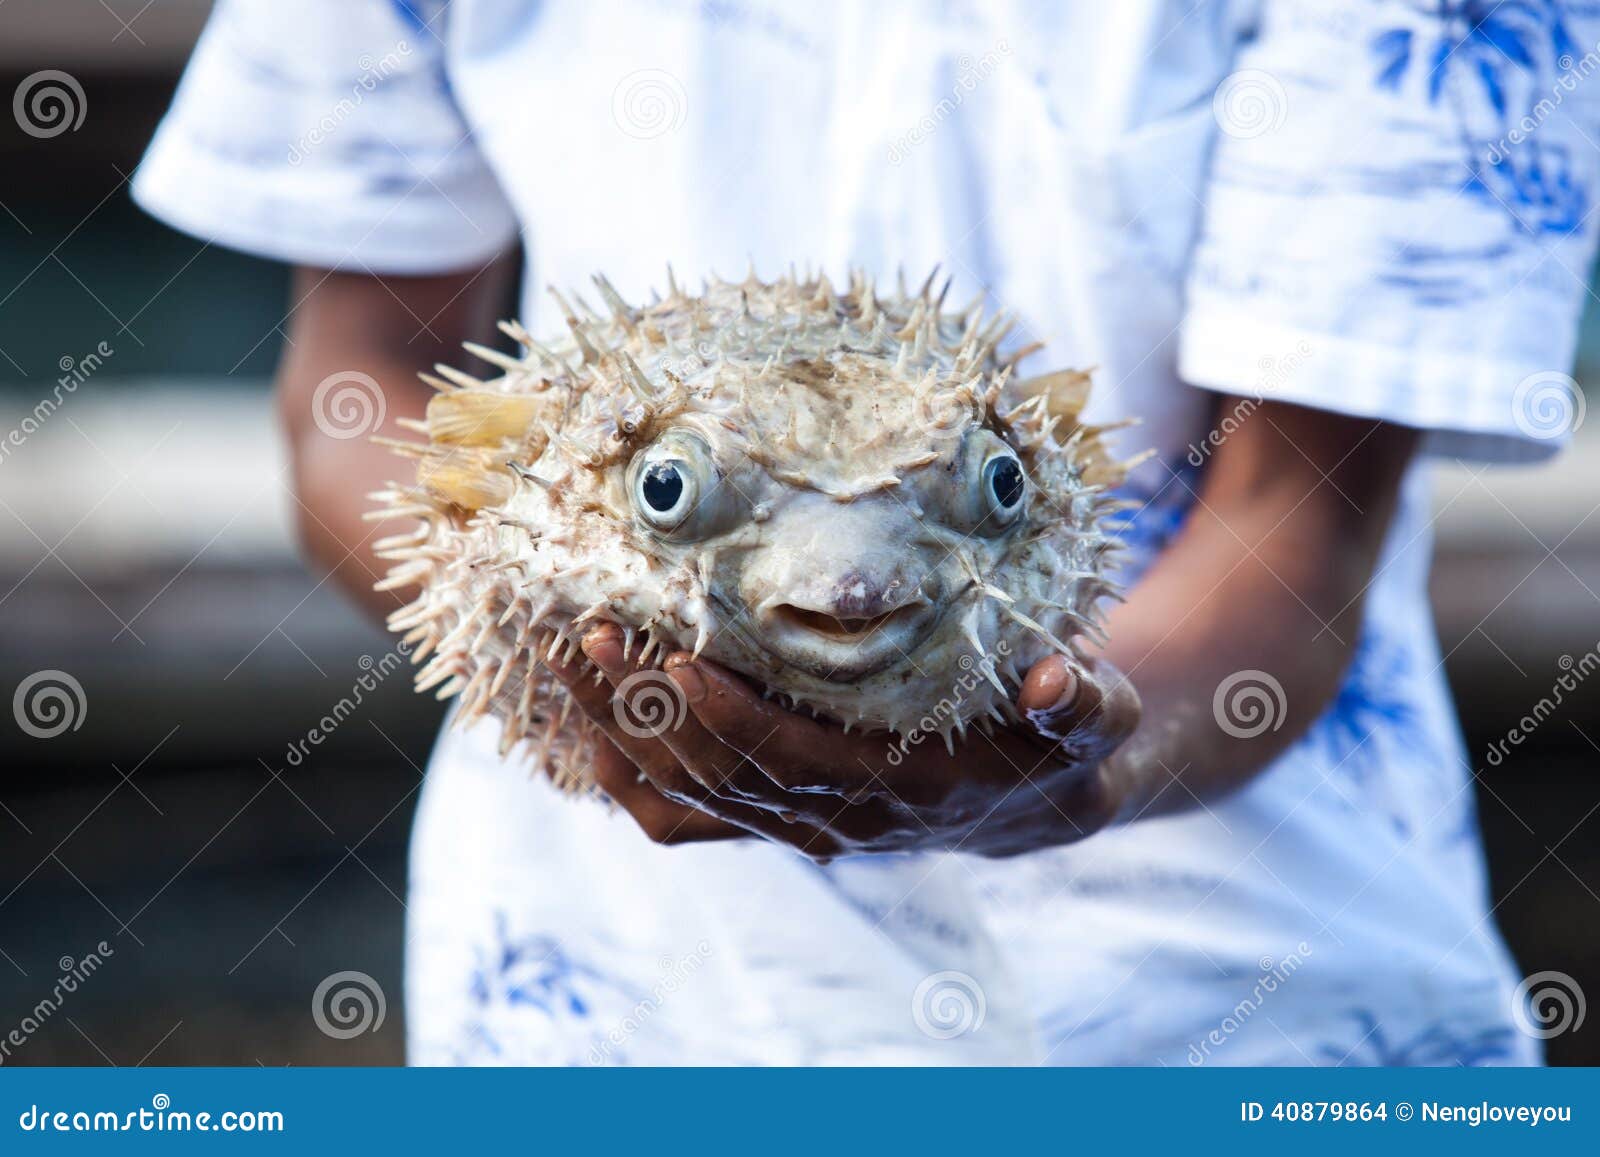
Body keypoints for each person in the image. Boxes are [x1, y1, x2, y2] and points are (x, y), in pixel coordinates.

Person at [136, 0, 1592, 1064]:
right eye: (675, 498)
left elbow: (1299, 518)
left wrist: (1064, 773)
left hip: (1234, 1017)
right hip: (604, 1007)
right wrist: (538, 632)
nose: (841, 585)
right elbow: (356, 383)